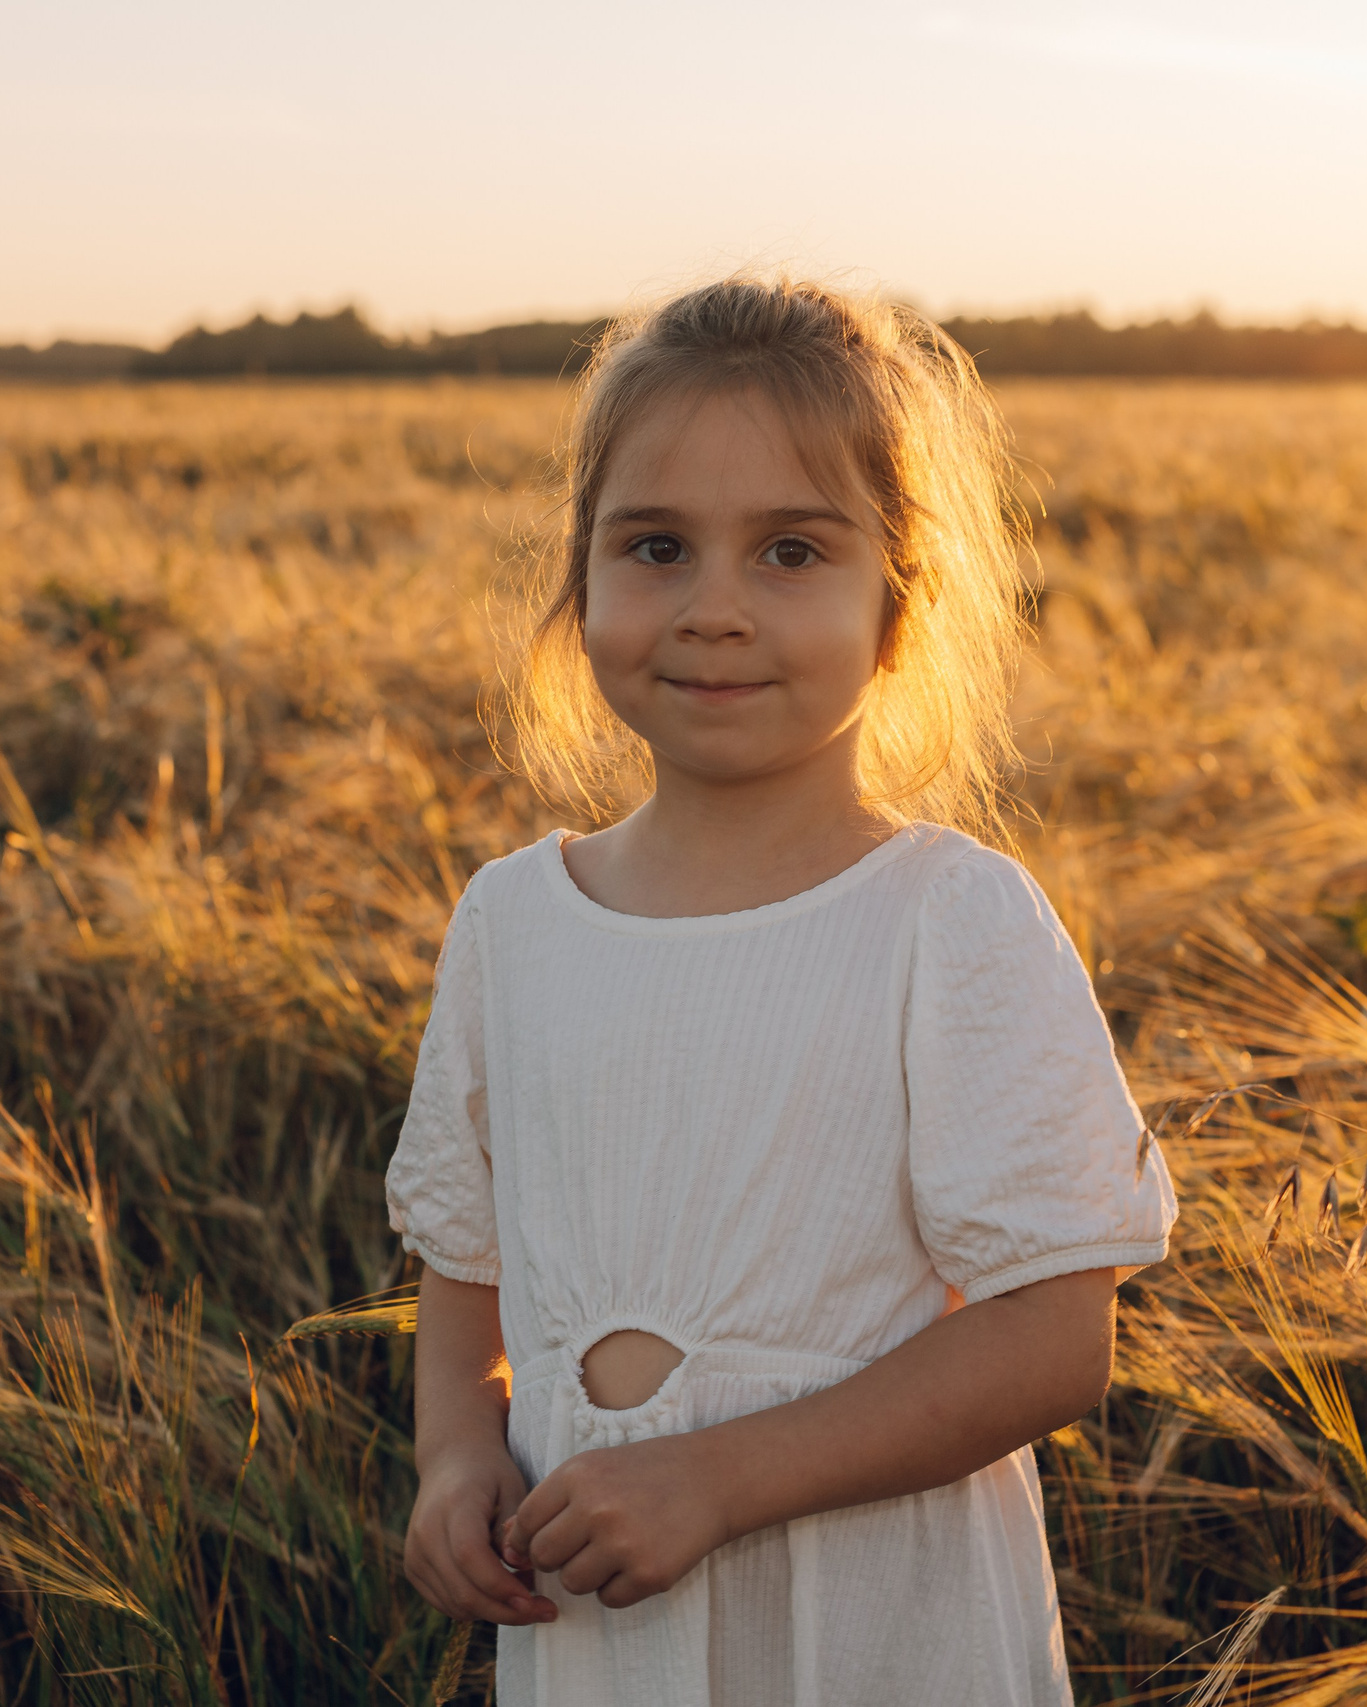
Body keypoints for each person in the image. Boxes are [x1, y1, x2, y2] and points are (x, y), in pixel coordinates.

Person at [385, 275, 1177, 1707]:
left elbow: (1056, 1339)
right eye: (657, 548)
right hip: (600, 1629)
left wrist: (721, 1481)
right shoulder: (513, 922)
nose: (715, 610)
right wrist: (455, 1461)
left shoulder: (948, 921)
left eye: (794, 551)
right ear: (581, 580)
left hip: (873, 1629)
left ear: (899, 600)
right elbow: (467, 1267)